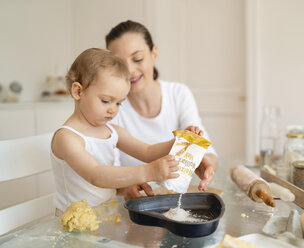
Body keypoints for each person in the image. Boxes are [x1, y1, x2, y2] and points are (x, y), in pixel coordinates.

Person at [50, 48, 202, 212]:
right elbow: (95, 175)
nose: (113, 109)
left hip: (103, 214)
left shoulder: (112, 131)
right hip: (71, 223)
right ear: (78, 91)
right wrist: (148, 172)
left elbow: (147, 151)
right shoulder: (67, 138)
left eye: (118, 103)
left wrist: (182, 141)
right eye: (106, 100)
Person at [105, 20, 219, 200]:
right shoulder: (110, 109)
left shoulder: (178, 94)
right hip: (134, 206)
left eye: (138, 59)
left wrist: (203, 161)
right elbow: (109, 173)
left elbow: (208, 150)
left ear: (154, 53)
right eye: (120, 64)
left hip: (176, 201)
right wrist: (126, 187)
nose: (130, 71)